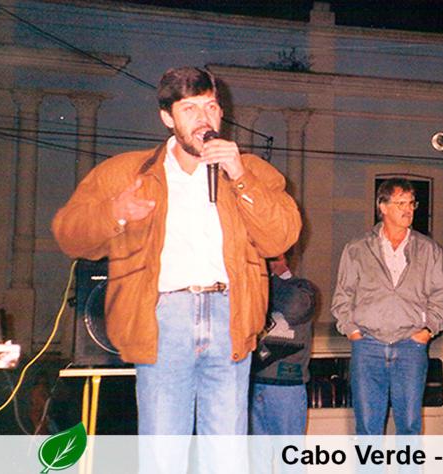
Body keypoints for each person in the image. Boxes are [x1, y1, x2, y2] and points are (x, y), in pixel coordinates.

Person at [52, 66, 302, 438]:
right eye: (190, 109)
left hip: (230, 320)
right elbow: (68, 234)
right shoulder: (127, 172)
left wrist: (240, 176)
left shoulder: (250, 170)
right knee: (165, 450)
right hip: (163, 320)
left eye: (211, 107)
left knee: (226, 453)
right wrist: (115, 212)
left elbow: (280, 238)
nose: (204, 118)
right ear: (167, 118)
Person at [331, 178, 443, 435]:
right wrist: (353, 332)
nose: (408, 210)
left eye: (411, 203)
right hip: (368, 347)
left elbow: (440, 299)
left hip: (411, 348)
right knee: (367, 429)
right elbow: (342, 298)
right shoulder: (356, 249)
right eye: (400, 203)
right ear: (382, 207)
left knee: (409, 427)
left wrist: (426, 331)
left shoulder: (429, 250)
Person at [250, 253, 316, 435]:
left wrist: (267, 281)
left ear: (285, 258)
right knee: (255, 452)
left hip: (286, 385)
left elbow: (295, 307)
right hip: (253, 383)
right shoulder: (253, 285)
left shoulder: (302, 288)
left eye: (273, 258)